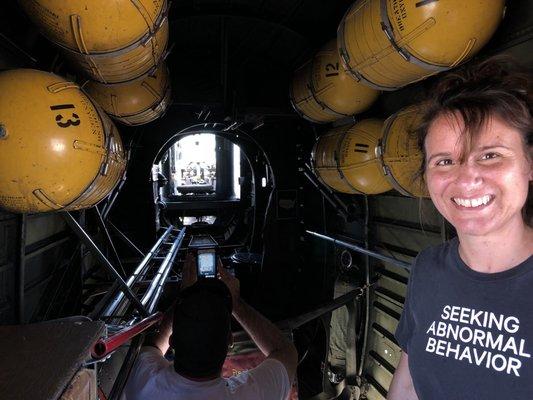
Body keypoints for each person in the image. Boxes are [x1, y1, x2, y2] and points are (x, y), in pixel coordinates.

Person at [387, 56, 533, 400]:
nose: (466, 178)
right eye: (445, 161)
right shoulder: (426, 267)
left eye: (490, 155)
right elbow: (408, 380)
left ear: (529, 164)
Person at [121, 253, 298, 400]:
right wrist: (236, 304)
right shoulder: (252, 395)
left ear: (173, 341)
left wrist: (184, 297)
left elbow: (153, 347)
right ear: (230, 342)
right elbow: (285, 351)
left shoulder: (142, 383)